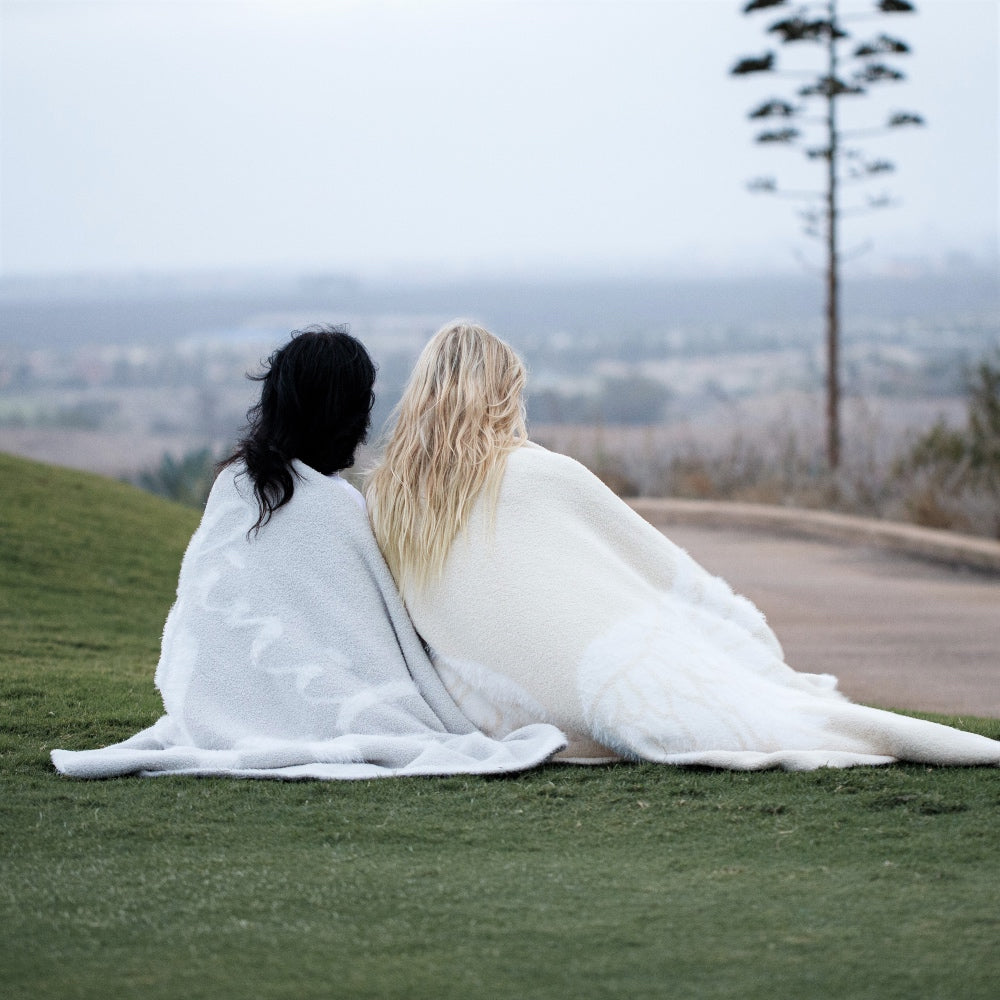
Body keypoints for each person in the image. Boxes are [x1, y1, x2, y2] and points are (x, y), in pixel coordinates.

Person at [366, 320, 1000, 771]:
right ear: (504, 393)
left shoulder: (386, 497)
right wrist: (744, 640)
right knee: (758, 705)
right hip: (586, 696)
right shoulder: (541, 474)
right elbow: (659, 572)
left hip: (490, 710)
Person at [52, 326, 564, 780]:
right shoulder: (335, 507)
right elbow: (370, 637)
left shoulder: (234, 485)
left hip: (209, 713)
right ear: (343, 413)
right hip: (308, 705)